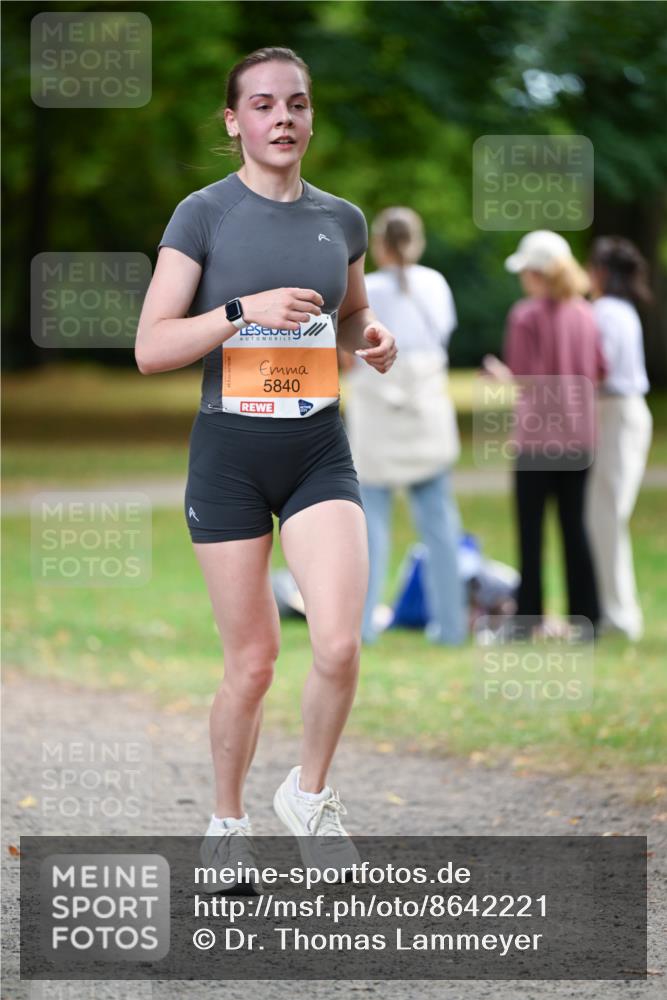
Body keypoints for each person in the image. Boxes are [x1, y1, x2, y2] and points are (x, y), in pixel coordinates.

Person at [134, 47, 396, 883]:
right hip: (229, 459)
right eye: (263, 105)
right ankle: (225, 823)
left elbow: (350, 314)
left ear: (310, 116)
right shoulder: (202, 215)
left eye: (297, 103)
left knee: (339, 643)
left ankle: (308, 797)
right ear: (233, 121)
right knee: (251, 665)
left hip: (318, 449)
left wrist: (369, 336)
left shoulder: (342, 219)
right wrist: (243, 310)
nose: (282, 117)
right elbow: (151, 347)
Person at [345, 207, 467, 645]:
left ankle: (361, 627)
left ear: (379, 245)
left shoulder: (368, 289)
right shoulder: (436, 284)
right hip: (425, 415)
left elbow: (349, 351)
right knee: (440, 526)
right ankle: (451, 627)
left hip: (377, 417)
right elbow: (443, 340)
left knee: (369, 527)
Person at [483, 230, 607, 636]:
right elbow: (600, 370)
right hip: (580, 437)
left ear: (536, 273)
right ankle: (587, 618)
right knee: (575, 527)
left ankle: (528, 619)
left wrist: (501, 375)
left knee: (531, 531)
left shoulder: (525, 315)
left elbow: (524, 376)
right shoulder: (586, 314)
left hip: (537, 440)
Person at [585, 237, 653, 640]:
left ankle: (619, 616)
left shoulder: (605, 312)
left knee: (605, 517)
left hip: (616, 412)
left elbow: (600, 368)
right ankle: (613, 610)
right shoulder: (621, 310)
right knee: (607, 515)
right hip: (623, 412)